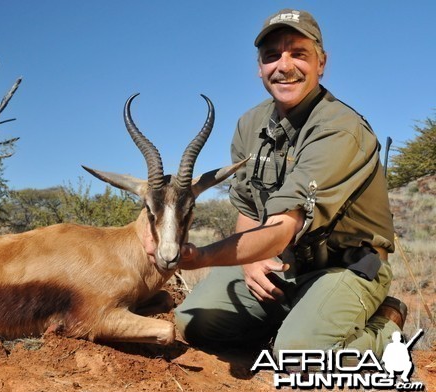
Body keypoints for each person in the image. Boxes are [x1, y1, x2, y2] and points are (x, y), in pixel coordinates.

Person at [170, 9, 407, 360]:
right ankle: (291, 322)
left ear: (321, 62)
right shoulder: (249, 124)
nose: (284, 66)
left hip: (346, 268)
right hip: (286, 267)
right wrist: (250, 263)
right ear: (260, 67)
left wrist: (202, 256)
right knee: (193, 323)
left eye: (298, 53)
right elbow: (248, 208)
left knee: (301, 356)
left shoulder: (339, 128)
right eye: (272, 56)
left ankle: (386, 323)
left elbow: (283, 227)